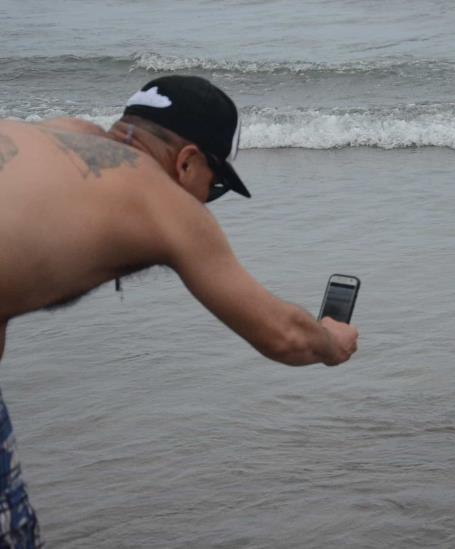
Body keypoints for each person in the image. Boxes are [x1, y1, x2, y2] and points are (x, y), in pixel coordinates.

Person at [0, 75, 359, 546]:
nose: (206, 202)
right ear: (188, 161)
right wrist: (332, 341)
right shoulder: (161, 198)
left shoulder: (59, 135)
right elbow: (283, 336)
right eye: (214, 188)